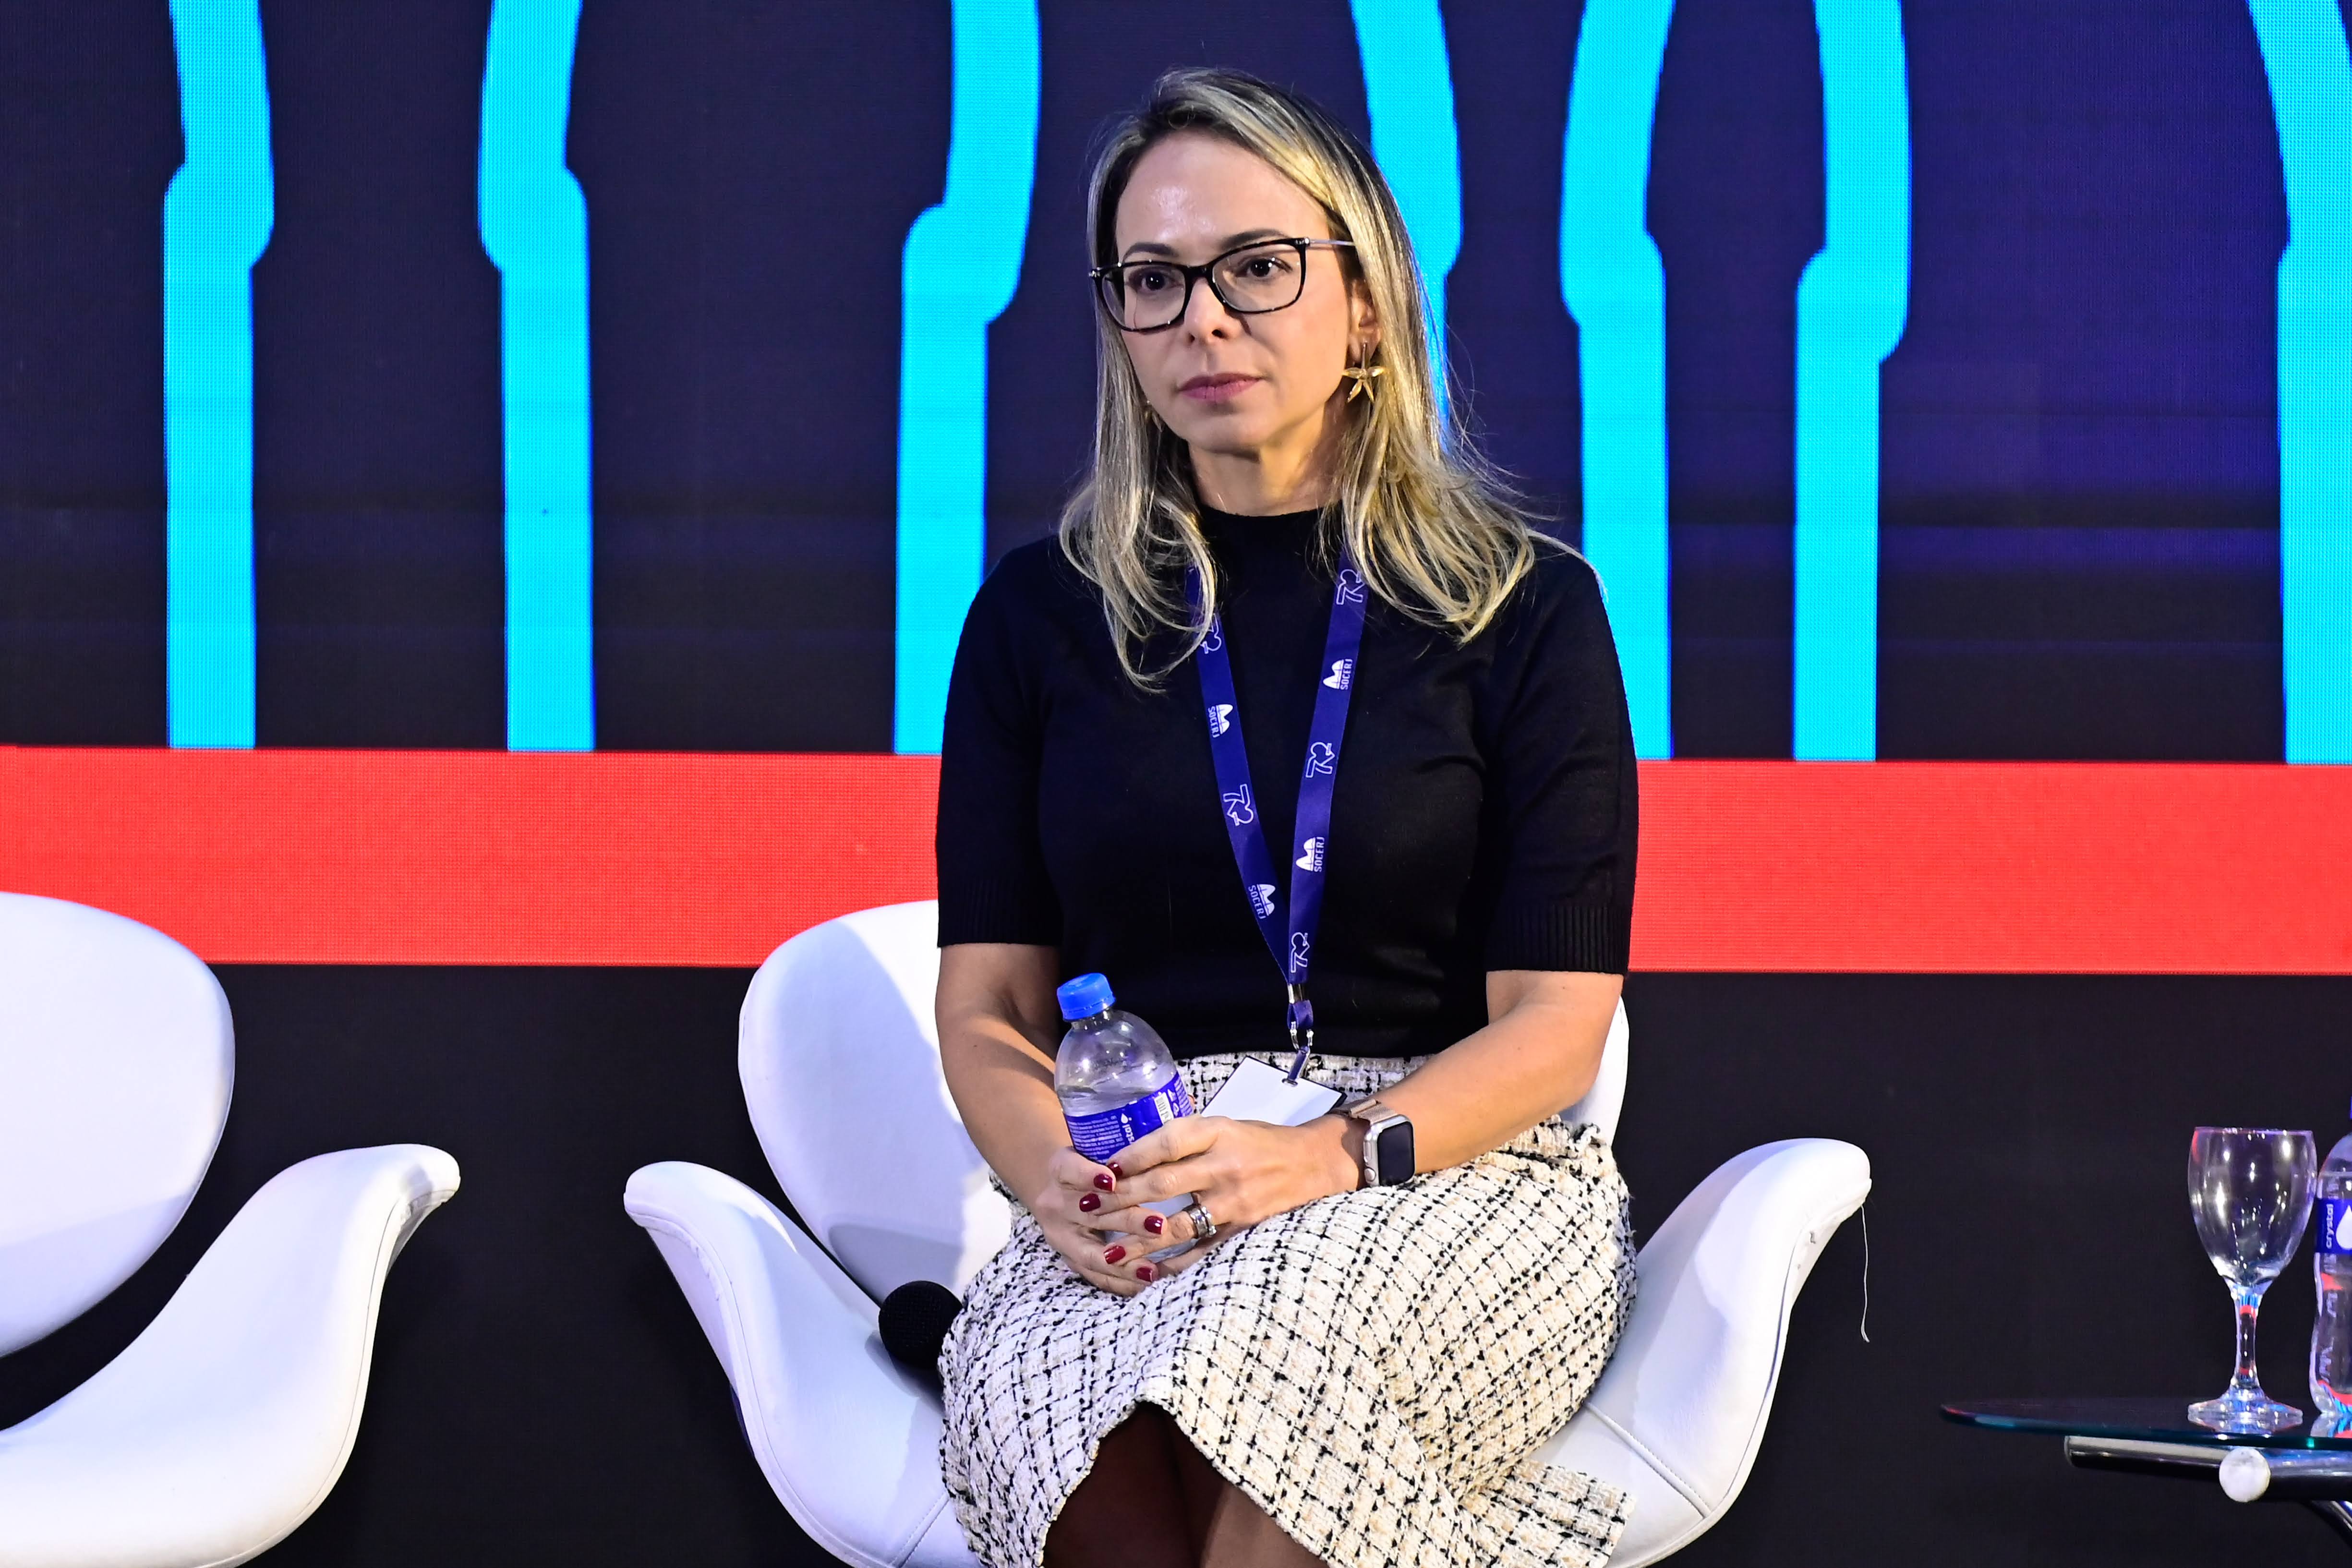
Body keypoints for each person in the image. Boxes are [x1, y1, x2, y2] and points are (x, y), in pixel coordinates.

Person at [933, 66, 1640, 1568]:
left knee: (1259, 1359)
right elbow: (988, 1003)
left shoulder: (1524, 609)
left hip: (1444, 1165)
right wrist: (1054, 1177)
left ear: (1365, 306)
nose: (1202, 319)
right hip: (1145, 1168)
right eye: (1153, 280)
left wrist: (1322, 1153)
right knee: (1047, 1421)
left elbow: (1557, 1024)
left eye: (1255, 267)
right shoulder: (1035, 618)